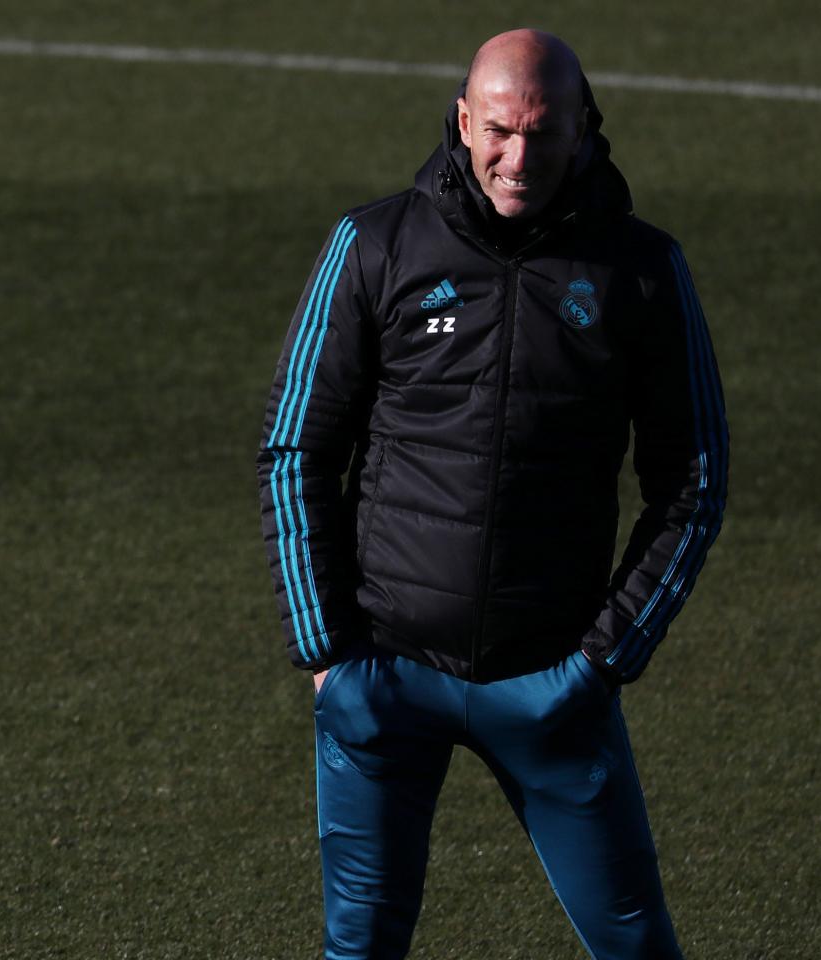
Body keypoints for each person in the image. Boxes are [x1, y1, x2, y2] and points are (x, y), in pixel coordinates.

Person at [255, 29, 727, 960]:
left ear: (585, 133)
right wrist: (327, 657)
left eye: (543, 136)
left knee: (637, 946)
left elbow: (694, 478)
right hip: (385, 678)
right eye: (500, 131)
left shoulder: (640, 271)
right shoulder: (374, 245)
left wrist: (599, 664)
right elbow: (294, 450)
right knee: (359, 949)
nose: (518, 159)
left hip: (552, 685)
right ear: (464, 121)